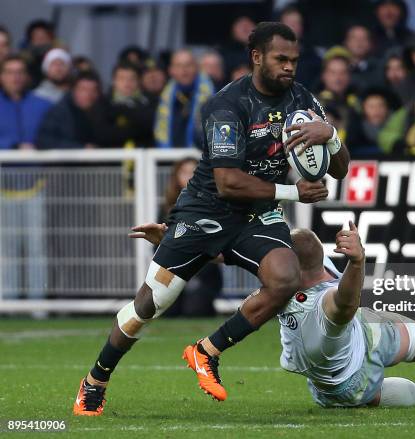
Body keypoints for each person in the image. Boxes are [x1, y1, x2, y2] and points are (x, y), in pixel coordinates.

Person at [73, 22, 350, 416]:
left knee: (285, 278)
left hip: (258, 214)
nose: (290, 67)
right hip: (205, 212)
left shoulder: (302, 100)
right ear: (257, 57)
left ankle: (207, 351)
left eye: (294, 60)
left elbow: (339, 169)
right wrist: (293, 192)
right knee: (149, 307)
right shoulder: (227, 105)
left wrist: (332, 135)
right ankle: (94, 381)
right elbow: (227, 183)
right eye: (281, 59)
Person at [130, 221, 415, 409]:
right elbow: (343, 301)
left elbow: (342, 304)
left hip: (352, 355)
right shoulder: (318, 285)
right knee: (411, 348)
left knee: (405, 347)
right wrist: (358, 261)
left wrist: (171, 242)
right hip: (350, 356)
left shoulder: (306, 281)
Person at [0, 54, 51, 304]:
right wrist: (13, 146)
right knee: (6, 251)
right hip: (3, 188)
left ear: (26, 76)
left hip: (36, 185)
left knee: (36, 248)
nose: (15, 77)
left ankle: (37, 304)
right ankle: (7, 303)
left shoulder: (42, 105)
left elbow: (52, 135)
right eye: (10, 71)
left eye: (19, 71)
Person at [159, 158, 222, 317]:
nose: (188, 177)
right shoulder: (166, 208)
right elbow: (159, 245)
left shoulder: (214, 204)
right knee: (169, 312)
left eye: (193, 173)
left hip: (203, 271)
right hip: (172, 271)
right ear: (176, 176)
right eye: (184, 172)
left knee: (195, 310)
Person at [154, 49, 214, 148]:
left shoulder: (214, 94)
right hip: (169, 158)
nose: (184, 70)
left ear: (197, 67)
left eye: (188, 65)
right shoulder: (164, 95)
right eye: (178, 66)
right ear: (171, 70)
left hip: (201, 157)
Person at [36, 70, 107, 149]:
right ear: (74, 91)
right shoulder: (59, 113)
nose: (88, 94)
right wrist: (80, 148)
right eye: (83, 89)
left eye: (93, 90)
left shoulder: (105, 112)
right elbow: (44, 140)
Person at [343, 24, 382, 92]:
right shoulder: (337, 67)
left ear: (370, 44)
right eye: (354, 38)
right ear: (346, 42)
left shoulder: (380, 68)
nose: (359, 42)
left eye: (364, 38)